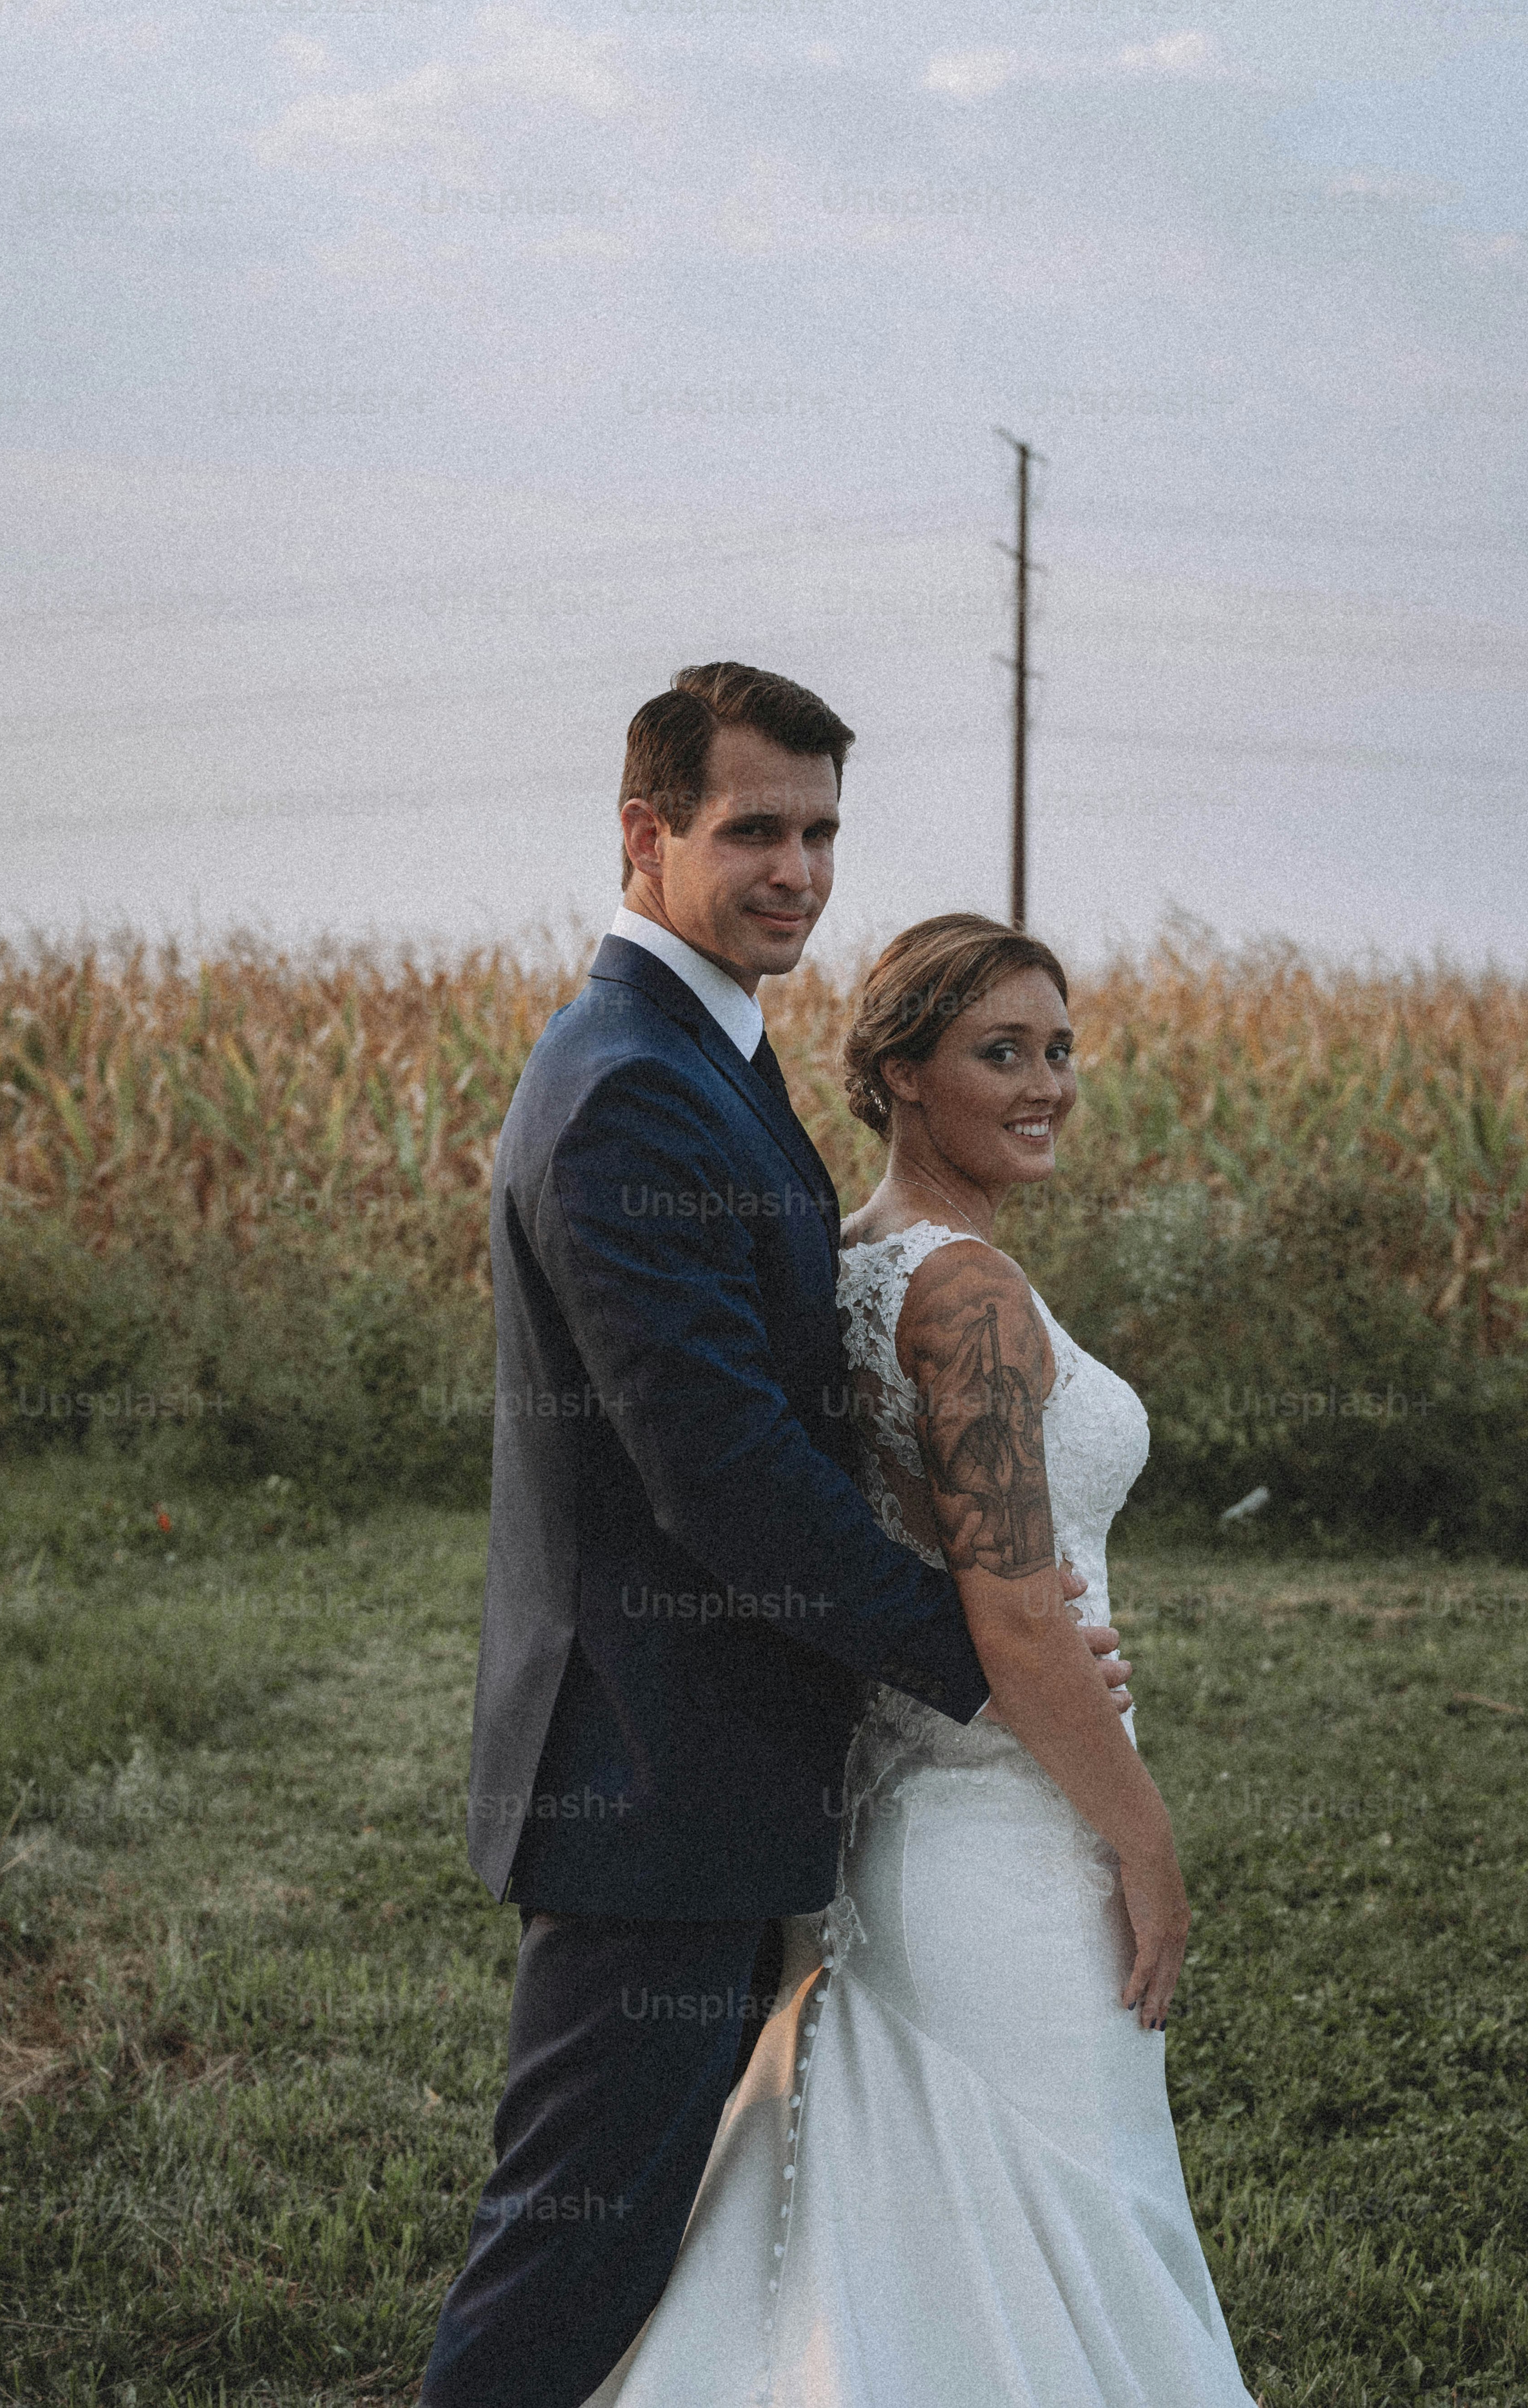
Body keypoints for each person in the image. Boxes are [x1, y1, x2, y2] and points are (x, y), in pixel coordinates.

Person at [422, 666, 1134, 2408]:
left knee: (667, 2243)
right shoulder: (629, 1088)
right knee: (571, 2251)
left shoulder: (702, 1055)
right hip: (649, 1778)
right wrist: (981, 1656)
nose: (799, 870)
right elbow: (721, 1475)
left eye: (821, 832)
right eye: (755, 830)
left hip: (718, 1767)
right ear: (644, 835)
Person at [577, 912, 1254, 2406]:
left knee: (901, 2233)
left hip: (895, 1821)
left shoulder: (850, 1263)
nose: (1045, 1084)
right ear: (896, 1076)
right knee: (1052, 2222)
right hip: (999, 1839)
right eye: (997, 1052)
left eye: (1060, 1050)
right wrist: (1144, 1841)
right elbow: (1013, 1614)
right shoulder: (967, 1296)